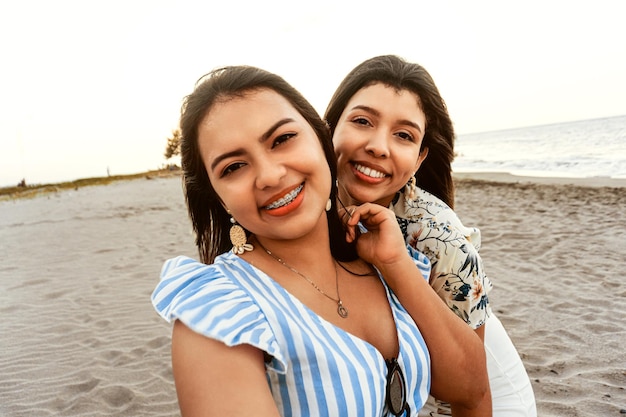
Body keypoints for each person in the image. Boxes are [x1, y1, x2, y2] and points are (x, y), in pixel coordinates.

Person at [151, 65, 489, 416]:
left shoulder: (389, 254)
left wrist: (396, 265)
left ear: (320, 138)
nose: (270, 175)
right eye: (233, 167)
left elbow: (470, 388)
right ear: (218, 198)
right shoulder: (218, 312)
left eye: (282, 139)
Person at [325, 55, 537, 417]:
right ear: (329, 127)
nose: (379, 146)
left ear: (420, 157)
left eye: (403, 135)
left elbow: (475, 395)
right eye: (362, 121)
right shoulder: (310, 202)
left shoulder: (439, 238)